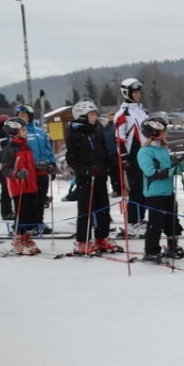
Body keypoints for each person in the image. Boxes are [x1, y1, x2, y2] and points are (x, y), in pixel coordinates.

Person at [67, 99, 118, 255]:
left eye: (95, 113)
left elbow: (104, 149)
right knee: (86, 209)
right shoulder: (75, 133)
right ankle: (83, 240)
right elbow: (72, 159)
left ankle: (102, 237)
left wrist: (113, 163)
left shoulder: (98, 129)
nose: (95, 116)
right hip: (86, 178)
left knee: (103, 207)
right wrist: (86, 170)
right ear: (82, 116)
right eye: (92, 114)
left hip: (101, 175)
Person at [137, 116, 184, 262]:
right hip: (155, 193)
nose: (165, 134)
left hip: (168, 191)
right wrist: (169, 172)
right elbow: (150, 172)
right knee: (155, 223)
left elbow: (169, 167)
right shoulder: (145, 152)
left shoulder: (164, 149)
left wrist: (178, 166)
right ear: (154, 133)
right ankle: (151, 250)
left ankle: (172, 245)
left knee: (172, 220)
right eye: (163, 131)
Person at [0, 117, 42, 255]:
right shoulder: (10, 150)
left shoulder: (27, 147)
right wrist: (16, 174)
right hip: (19, 188)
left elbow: (32, 167)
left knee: (32, 215)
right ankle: (18, 239)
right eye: (23, 130)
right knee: (22, 215)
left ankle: (27, 238)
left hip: (32, 186)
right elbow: (5, 169)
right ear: (14, 132)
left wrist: (44, 170)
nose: (25, 132)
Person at [114, 78, 150, 236]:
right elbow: (119, 138)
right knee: (136, 190)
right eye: (135, 92)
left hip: (146, 154)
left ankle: (141, 218)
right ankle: (131, 222)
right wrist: (123, 158)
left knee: (145, 189)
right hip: (132, 156)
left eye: (139, 91)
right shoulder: (122, 114)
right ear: (127, 93)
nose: (138, 95)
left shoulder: (143, 111)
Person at [15, 105, 56, 234]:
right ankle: (26, 225)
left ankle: (39, 222)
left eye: (24, 114)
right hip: (30, 172)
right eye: (19, 115)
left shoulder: (39, 131)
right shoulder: (19, 133)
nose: (22, 117)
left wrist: (52, 164)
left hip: (43, 169)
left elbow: (48, 148)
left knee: (41, 199)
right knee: (31, 200)